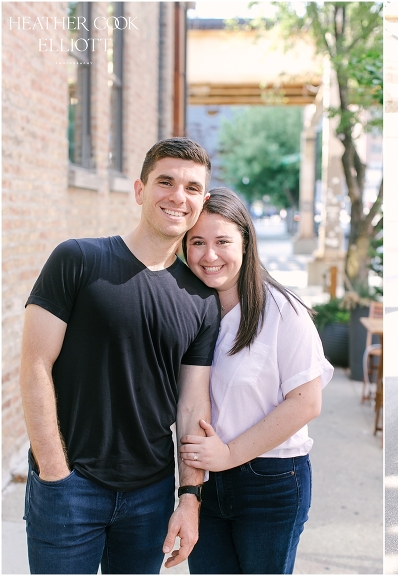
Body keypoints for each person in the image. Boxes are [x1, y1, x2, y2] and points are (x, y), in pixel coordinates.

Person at [20, 138, 220, 573]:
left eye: (191, 188)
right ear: (140, 190)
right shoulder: (77, 259)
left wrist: (190, 497)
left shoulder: (202, 299)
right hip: (70, 487)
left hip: (150, 495)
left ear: (201, 202)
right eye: (165, 182)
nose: (177, 196)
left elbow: (192, 405)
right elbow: (35, 365)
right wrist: (55, 472)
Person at [179, 187, 334, 574]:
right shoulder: (187, 312)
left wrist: (229, 455)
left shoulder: (284, 313)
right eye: (197, 242)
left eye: (222, 241)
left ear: (246, 243)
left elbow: (306, 402)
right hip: (206, 482)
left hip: (271, 480)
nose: (209, 255)